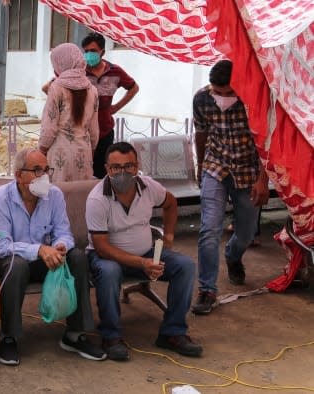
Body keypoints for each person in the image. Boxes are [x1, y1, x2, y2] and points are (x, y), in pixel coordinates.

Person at [0, 148, 106, 366]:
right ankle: (9, 336)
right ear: (18, 175)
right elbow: (1, 246)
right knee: (17, 266)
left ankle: (75, 334)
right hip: (14, 261)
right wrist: (39, 249)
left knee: (78, 257)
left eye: (46, 170)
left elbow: (64, 231)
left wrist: (61, 246)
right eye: (36, 170)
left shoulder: (54, 195)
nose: (43, 176)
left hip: (48, 259)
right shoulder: (1, 198)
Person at [86, 142, 202, 360]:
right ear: (107, 169)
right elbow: (101, 247)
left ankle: (173, 333)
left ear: (137, 165)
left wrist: (168, 237)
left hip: (146, 253)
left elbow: (170, 203)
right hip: (108, 258)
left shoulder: (148, 186)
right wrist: (141, 263)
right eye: (115, 168)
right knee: (109, 272)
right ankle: (110, 336)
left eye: (128, 166)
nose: (122, 173)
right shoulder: (97, 199)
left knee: (185, 266)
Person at [192, 60, 269, 315]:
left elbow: (266, 142)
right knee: (209, 229)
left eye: (229, 93)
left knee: (246, 233)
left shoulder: (255, 100)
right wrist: (201, 165)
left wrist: (263, 179)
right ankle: (207, 290)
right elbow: (201, 133)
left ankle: (234, 256)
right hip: (215, 167)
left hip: (248, 171)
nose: (223, 98)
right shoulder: (202, 99)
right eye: (218, 92)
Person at [80, 33, 139, 179]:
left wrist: (116, 107)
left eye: (93, 51)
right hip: (82, 133)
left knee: (102, 174)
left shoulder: (114, 71)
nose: (88, 55)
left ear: (102, 52)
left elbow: (133, 88)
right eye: (86, 51)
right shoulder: (78, 71)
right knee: (82, 173)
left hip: (104, 131)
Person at [39, 43, 99, 182]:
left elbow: (49, 128)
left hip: (60, 153)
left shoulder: (56, 88)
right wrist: (92, 150)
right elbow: (94, 131)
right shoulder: (93, 90)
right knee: (79, 196)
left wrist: (41, 151)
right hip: (84, 152)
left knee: (59, 196)